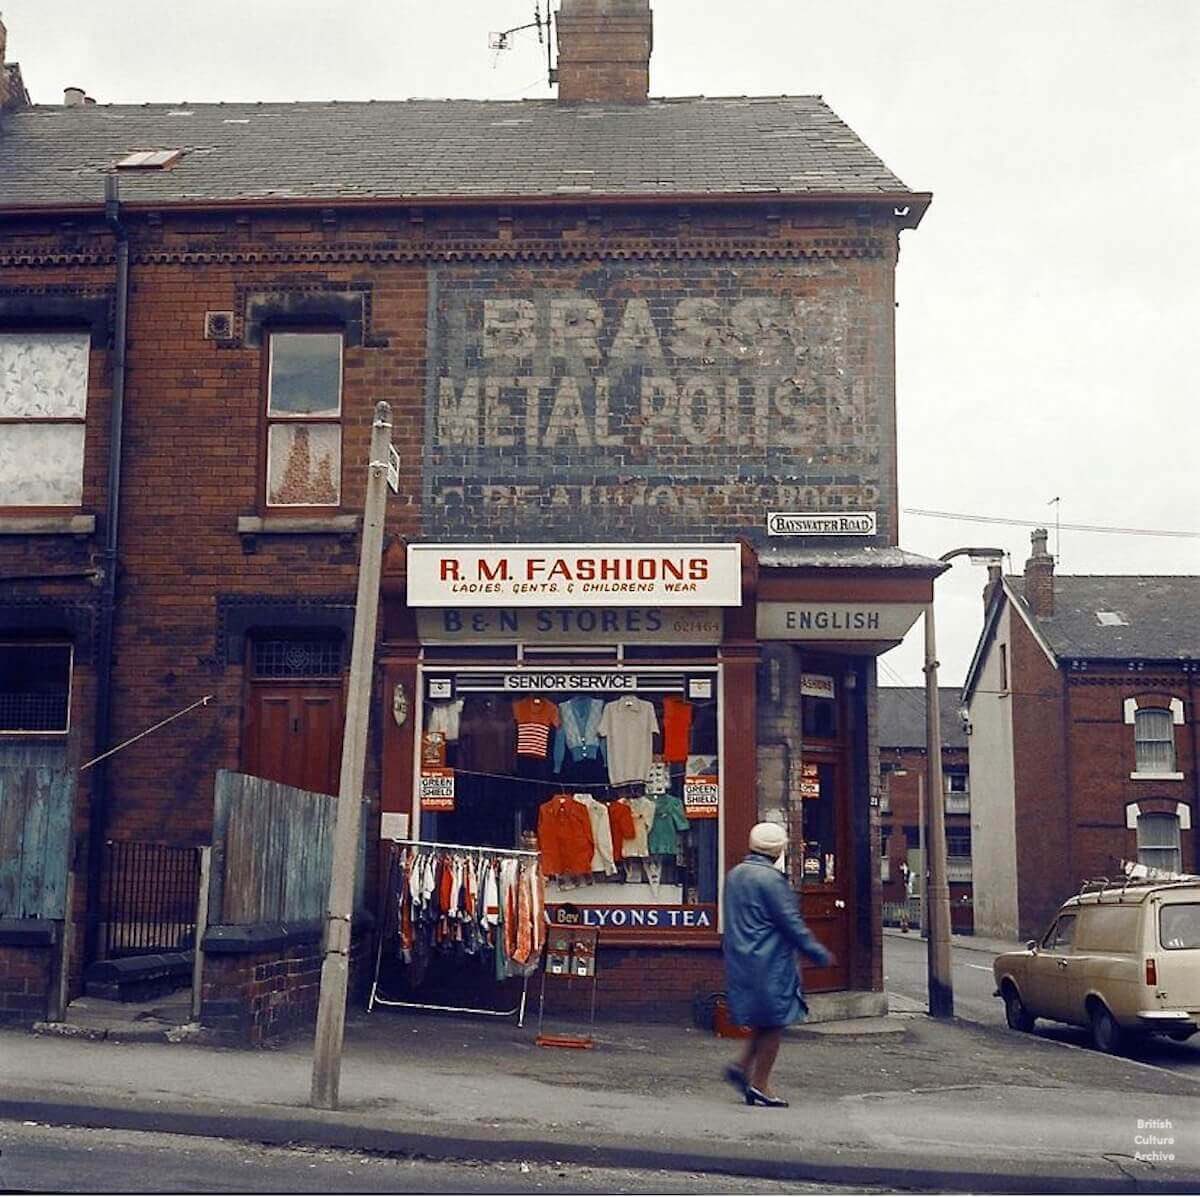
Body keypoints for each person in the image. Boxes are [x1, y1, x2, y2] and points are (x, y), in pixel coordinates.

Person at [722, 821, 832, 1108]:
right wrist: (816, 951)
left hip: (742, 956)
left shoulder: (735, 875)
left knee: (764, 1018)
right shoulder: (771, 880)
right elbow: (790, 923)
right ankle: (761, 1084)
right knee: (774, 1022)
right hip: (769, 960)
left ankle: (742, 1066)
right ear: (778, 849)